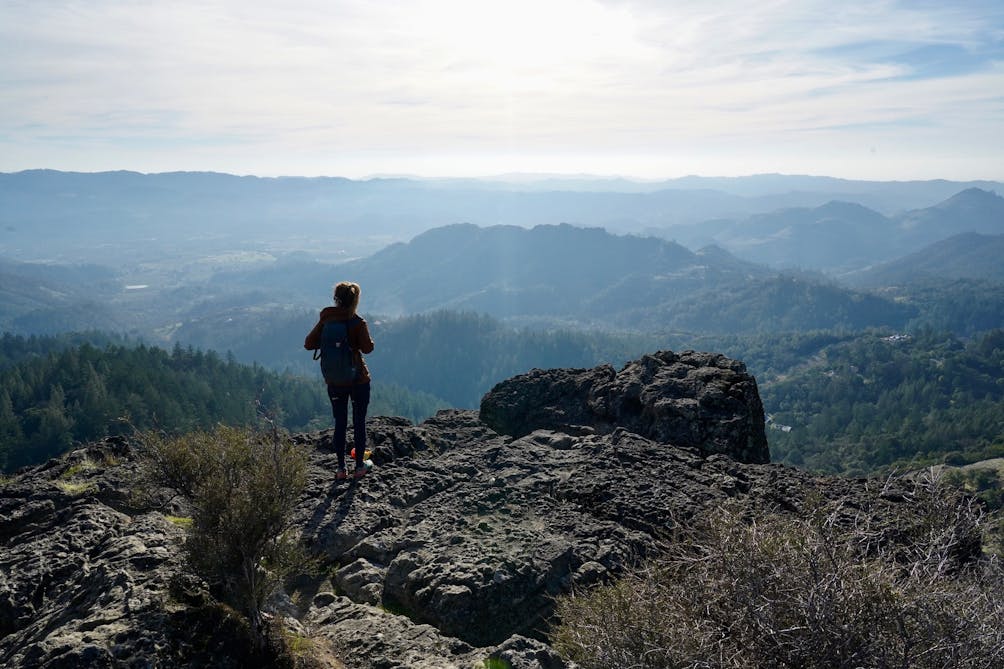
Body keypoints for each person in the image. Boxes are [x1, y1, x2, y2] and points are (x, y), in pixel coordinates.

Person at [304, 281, 375, 480]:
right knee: (359, 422)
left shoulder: (327, 320)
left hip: (335, 382)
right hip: (358, 380)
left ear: (336, 299)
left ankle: (341, 469)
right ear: (355, 300)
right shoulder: (357, 322)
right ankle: (360, 466)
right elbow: (368, 348)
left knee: (340, 423)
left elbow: (308, 344)